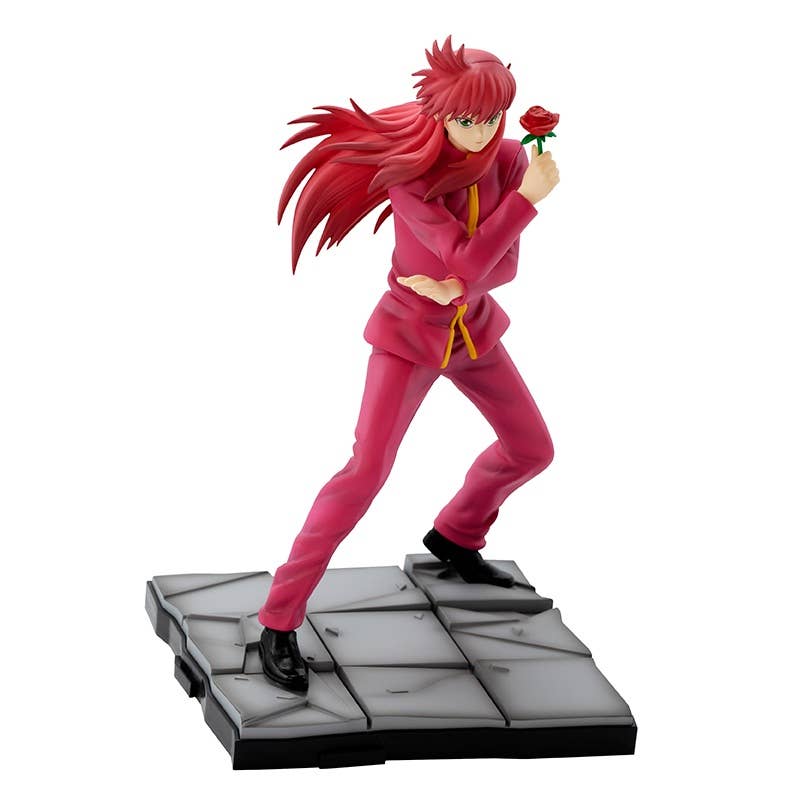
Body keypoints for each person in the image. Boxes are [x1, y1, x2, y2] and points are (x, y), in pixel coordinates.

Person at [258, 36, 560, 691]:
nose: (482, 133)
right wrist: (522, 208)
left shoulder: (512, 159)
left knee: (532, 448)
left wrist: (463, 280)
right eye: (467, 120)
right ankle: (278, 619)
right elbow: (468, 257)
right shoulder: (412, 177)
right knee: (364, 473)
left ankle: (457, 534)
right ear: (441, 115)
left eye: (492, 118)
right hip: (408, 337)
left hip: (472, 333)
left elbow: (499, 266)